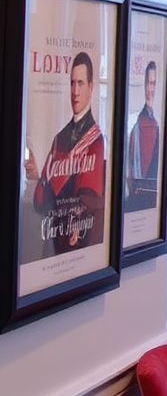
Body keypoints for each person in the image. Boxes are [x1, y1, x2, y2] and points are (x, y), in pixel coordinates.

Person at [25, 51, 106, 254]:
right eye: (72, 83)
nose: (75, 92)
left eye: (80, 83)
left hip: (77, 248)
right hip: (52, 245)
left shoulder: (95, 141)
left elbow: (87, 203)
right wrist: (39, 177)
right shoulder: (59, 138)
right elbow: (41, 204)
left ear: (90, 87)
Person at [125, 59, 160, 211]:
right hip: (140, 198)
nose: (150, 89)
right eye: (149, 83)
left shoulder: (156, 123)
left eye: (154, 84)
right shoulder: (139, 126)